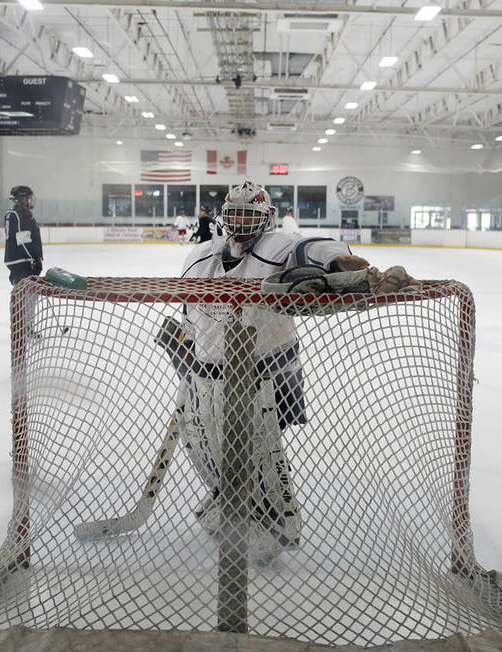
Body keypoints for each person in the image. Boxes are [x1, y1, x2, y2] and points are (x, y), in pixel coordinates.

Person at [172, 181, 411, 564]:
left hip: (265, 374)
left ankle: (275, 528)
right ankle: (224, 507)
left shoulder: (277, 247)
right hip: (204, 372)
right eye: (235, 215)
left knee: (257, 454)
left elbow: (311, 248)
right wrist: (184, 345)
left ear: (266, 219)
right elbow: (189, 309)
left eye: (251, 216)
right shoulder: (201, 256)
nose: (242, 225)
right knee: (203, 446)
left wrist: (338, 261)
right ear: (223, 217)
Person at [4, 185, 43, 287]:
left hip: (15, 261)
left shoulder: (12, 213)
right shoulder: (22, 213)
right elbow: (23, 240)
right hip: (22, 262)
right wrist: (35, 258)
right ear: (22, 199)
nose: (31, 200)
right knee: (26, 298)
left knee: (21, 297)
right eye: (29, 198)